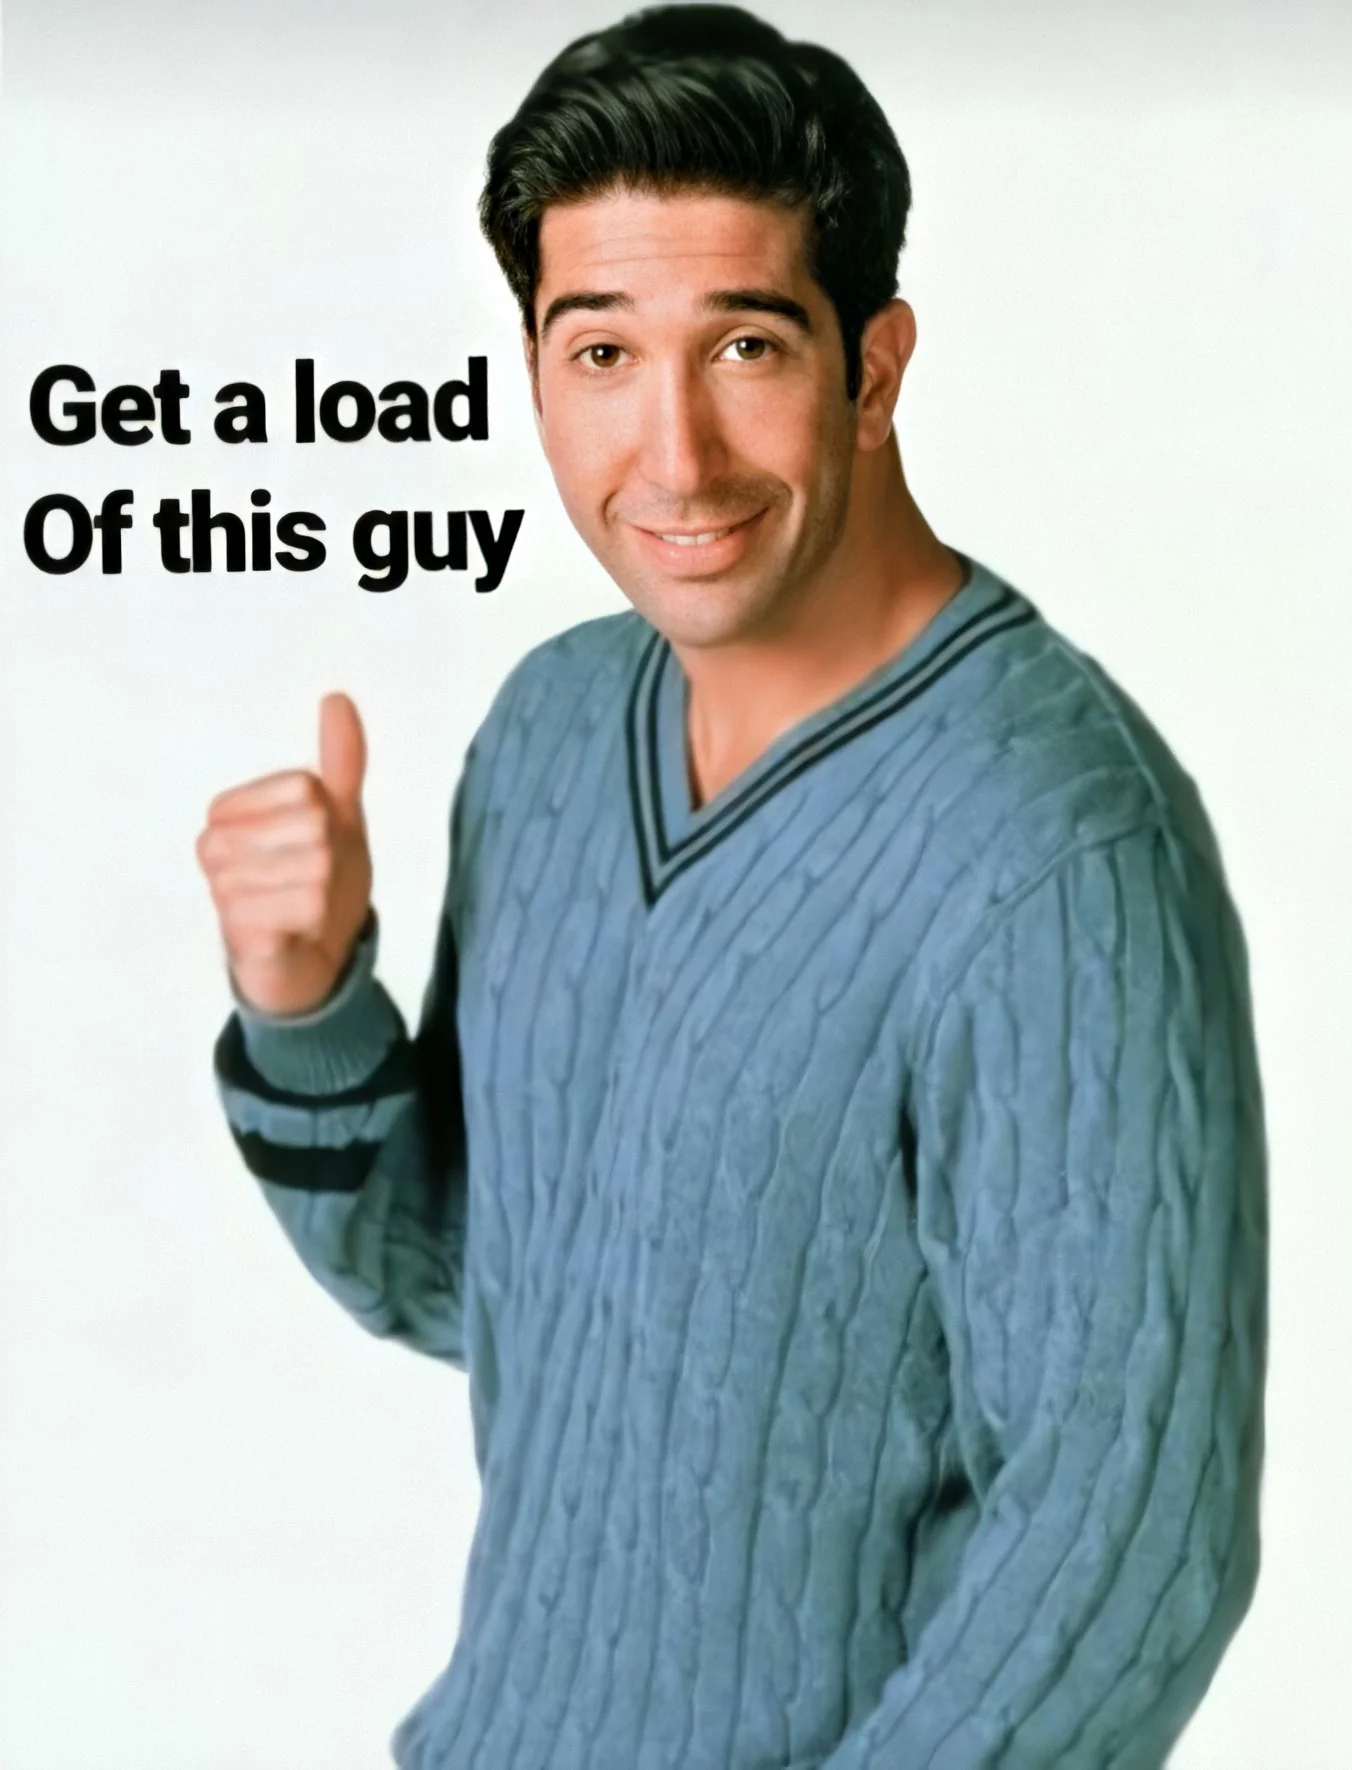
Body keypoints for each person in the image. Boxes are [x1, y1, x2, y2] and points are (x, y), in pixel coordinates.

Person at [196, 7, 1268, 1767]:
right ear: (534, 367)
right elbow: (485, 1282)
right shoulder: (549, 734)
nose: (675, 454)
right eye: (603, 352)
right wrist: (306, 1002)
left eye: (747, 345)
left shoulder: (1053, 845)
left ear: (875, 368)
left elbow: (1126, 1549)